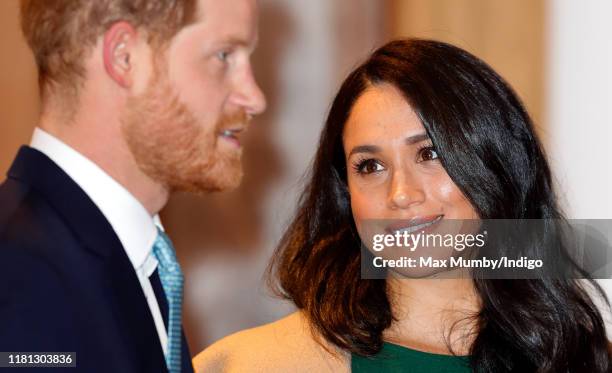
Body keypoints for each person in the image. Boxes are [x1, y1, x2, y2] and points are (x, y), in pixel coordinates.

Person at [193, 39, 611, 372]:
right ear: (344, 193)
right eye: (370, 165)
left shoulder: (588, 359)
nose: (400, 193)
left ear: (498, 163)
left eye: (429, 154)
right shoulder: (248, 365)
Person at [0, 0, 265, 372]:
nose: (255, 98)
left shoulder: (131, 254)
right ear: (125, 57)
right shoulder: (21, 276)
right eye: (224, 55)